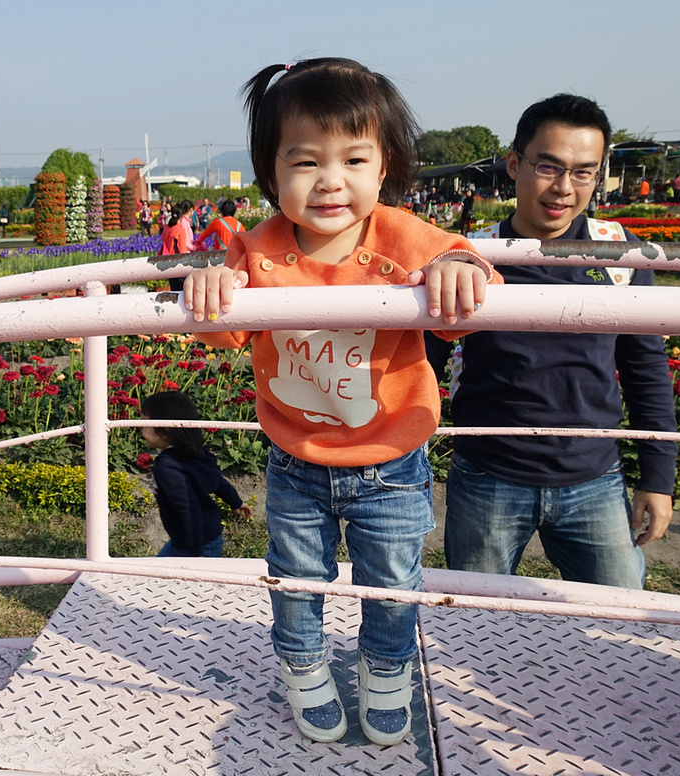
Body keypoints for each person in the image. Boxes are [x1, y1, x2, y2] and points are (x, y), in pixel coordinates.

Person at [183, 57, 496, 746]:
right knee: (296, 580)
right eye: (304, 162)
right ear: (271, 174)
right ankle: (303, 668)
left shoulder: (401, 235)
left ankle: (386, 671)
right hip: (297, 459)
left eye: (354, 158)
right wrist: (209, 285)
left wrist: (453, 268)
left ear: (384, 167)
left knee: (392, 581)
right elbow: (224, 323)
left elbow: (468, 275)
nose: (331, 181)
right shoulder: (257, 248)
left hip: (392, 458)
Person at [430, 93, 676, 591]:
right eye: (548, 166)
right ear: (514, 164)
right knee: (473, 627)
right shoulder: (473, 257)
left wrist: (658, 478)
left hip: (595, 478)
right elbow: (423, 362)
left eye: (584, 171)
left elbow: (647, 369)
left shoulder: (618, 256)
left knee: (615, 626)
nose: (564, 188)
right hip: (488, 477)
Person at [140, 391, 251, 557]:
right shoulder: (193, 453)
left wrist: (196, 555)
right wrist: (236, 502)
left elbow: (188, 509)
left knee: (166, 577)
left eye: (144, 423)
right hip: (198, 537)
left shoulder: (167, 467)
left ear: (164, 430)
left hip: (195, 544)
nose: (140, 429)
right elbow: (217, 480)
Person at [158, 199, 196, 291]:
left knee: (174, 289)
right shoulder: (180, 230)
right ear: (182, 216)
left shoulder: (168, 228)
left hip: (168, 262)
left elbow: (163, 238)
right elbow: (182, 250)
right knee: (183, 291)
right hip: (178, 264)